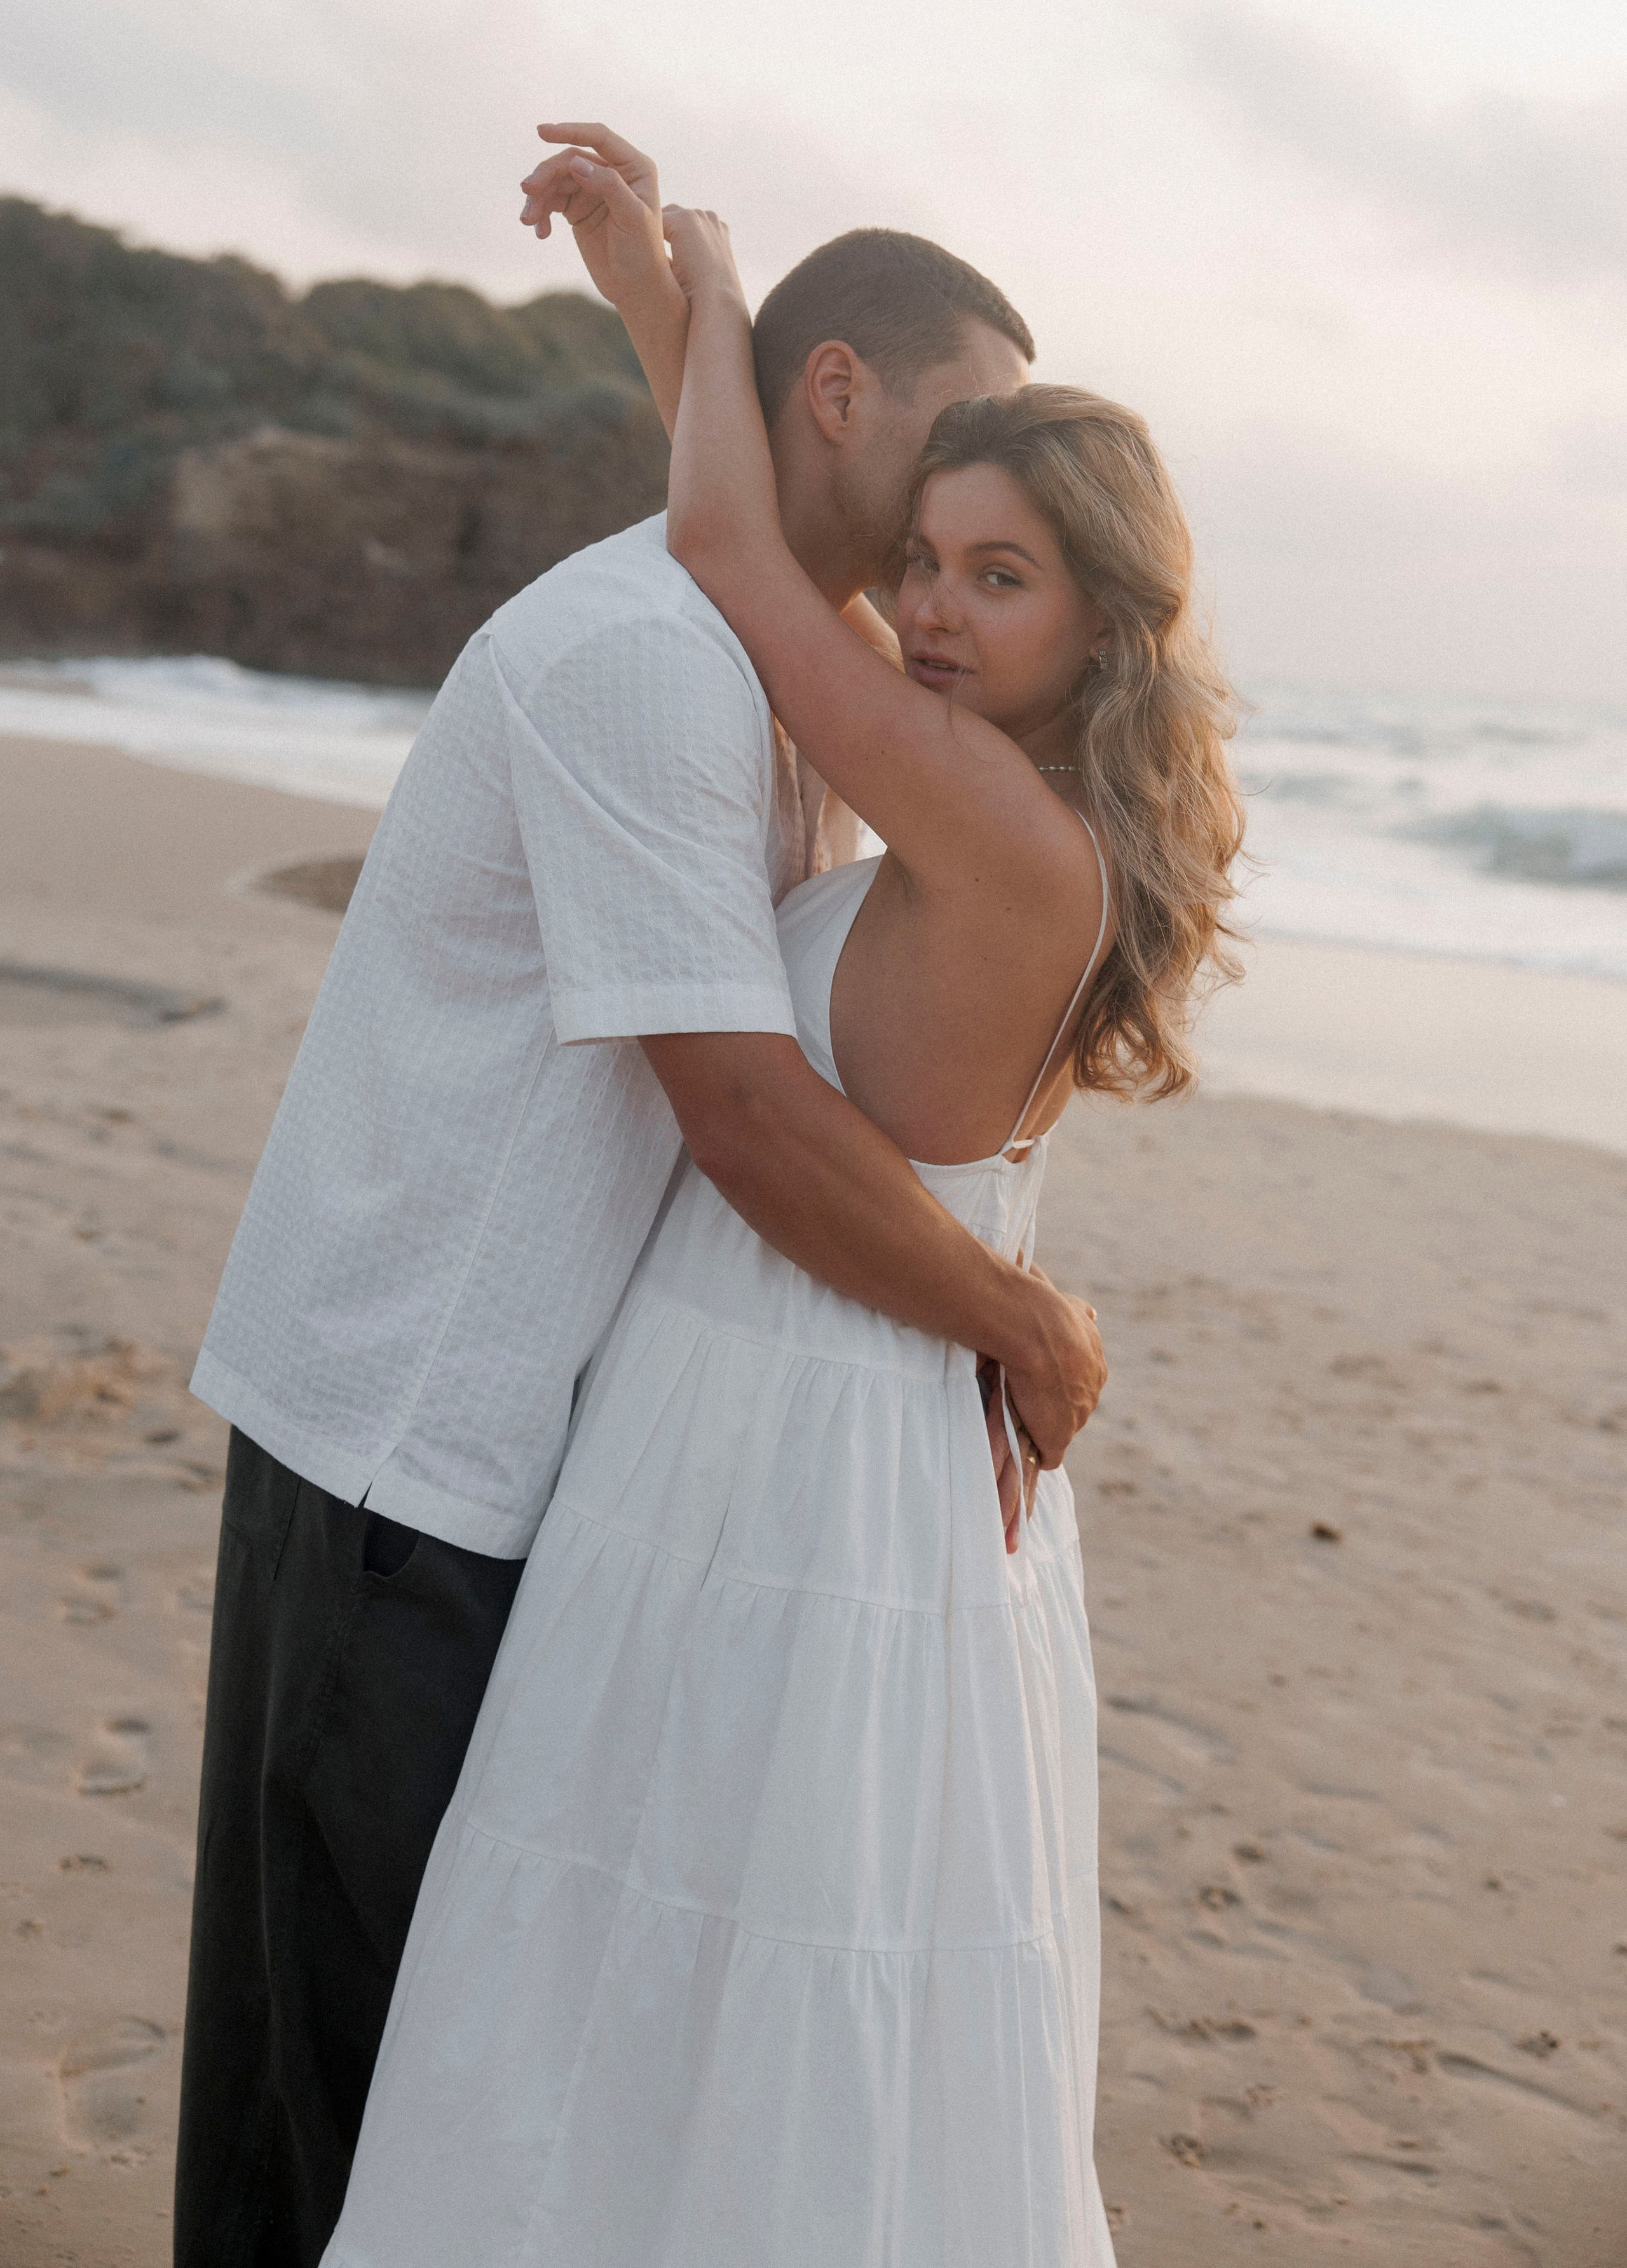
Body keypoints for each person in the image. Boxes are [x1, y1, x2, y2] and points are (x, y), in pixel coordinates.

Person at [174, 125, 1110, 2268]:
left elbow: (745, 511)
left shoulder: (774, 653)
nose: (997, 497)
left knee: (448, 2069)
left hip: (538, 1448)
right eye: (963, 435)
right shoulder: (651, 664)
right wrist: (1028, 1320)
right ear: (846, 395)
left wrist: (674, 316)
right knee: (339, 2094)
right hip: (406, 1431)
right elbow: (750, 1118)